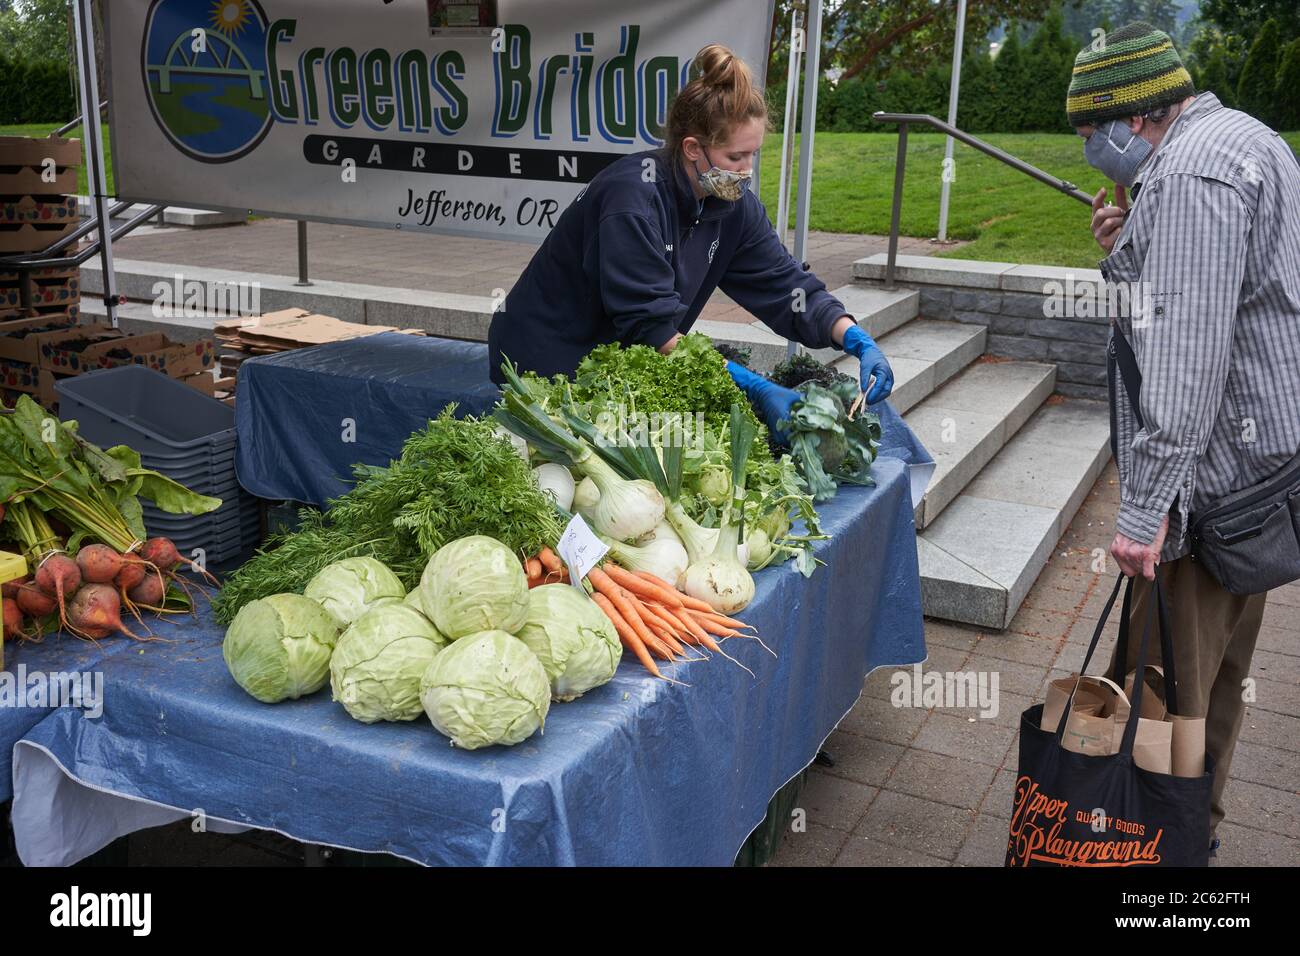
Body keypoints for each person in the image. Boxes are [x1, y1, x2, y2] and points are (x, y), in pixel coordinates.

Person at [1069, 21, 1300, 855]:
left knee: (1168, 692)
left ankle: (1157, 846)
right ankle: (1188, 832)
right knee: (1220, 684)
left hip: (1210, 493)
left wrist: (1145, 512)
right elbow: (1226, 294)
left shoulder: (1193, 175)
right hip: (1259, 479)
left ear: (1133, 117)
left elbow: (1186, 357)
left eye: (1091, 132)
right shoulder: (1246, 138)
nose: (1091, 149)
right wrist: (1132, 250)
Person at [486, 44, 893, 432]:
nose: (747, 170)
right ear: (693, 148)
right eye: (736, 157)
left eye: (753, 154)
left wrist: (852, 336)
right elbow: (652, 329)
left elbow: (786, 285)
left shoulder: (732, 204)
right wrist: (755, 387)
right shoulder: (632, 198)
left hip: (619, 363)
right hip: (543, 358)